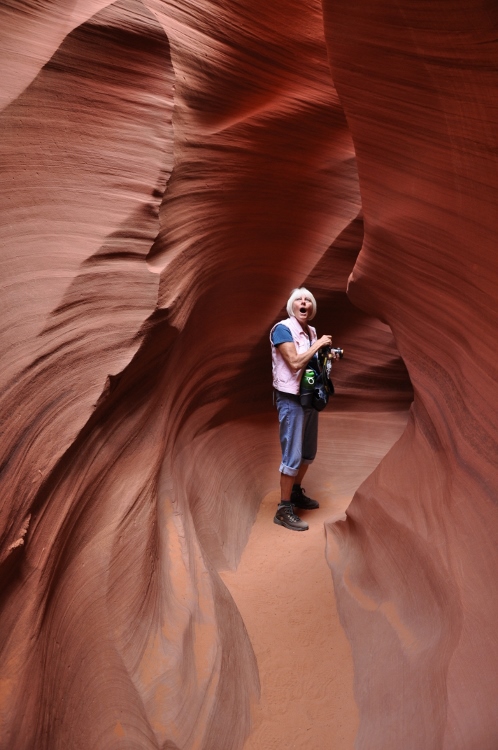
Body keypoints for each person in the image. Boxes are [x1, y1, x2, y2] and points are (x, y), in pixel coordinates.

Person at [270, 288, 332, 531]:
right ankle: (283, 509)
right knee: (293, 455)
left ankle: (295, 493)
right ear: (291, 306)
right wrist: (317, 345)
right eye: (299, 300)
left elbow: (311, 362)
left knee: (308, 452)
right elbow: (295, 362)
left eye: (308, 300)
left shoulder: (311, 331)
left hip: (309, 396)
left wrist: (326, 355)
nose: (304, 303)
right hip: (291, 399)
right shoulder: (282, 329)